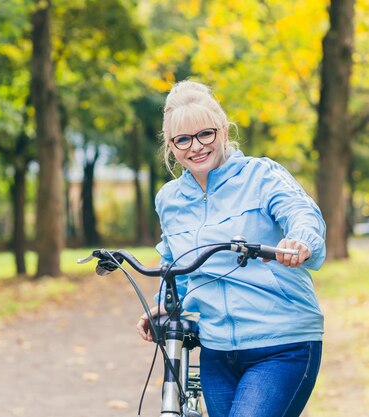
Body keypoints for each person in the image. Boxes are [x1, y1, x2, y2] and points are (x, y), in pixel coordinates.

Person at [136, 80, 326, 417]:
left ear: (223, 131)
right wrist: (165, 305)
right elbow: (175, 262)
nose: (195, 147)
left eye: (205, 134)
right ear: (170, 145)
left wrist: (300, 241)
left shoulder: (261, 175)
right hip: (217, 351)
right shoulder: (169, 199)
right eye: (183, 139)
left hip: (281, 344)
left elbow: (301, 212)